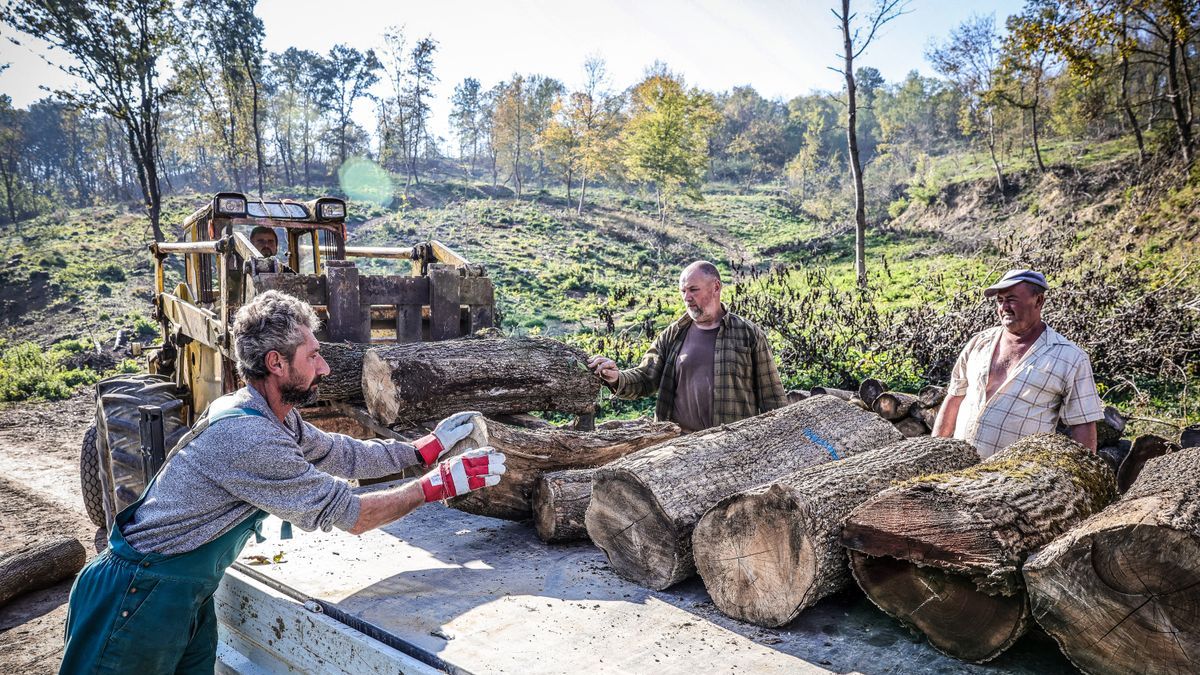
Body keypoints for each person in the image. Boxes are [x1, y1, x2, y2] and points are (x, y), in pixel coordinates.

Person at [59, 290, 506, 674]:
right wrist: (437, 485)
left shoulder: (268, 414)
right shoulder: (250, 435)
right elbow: (353, 515)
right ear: (276, 362)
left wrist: (422, 449)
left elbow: (341, 453)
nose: (326, 368)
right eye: (313, 356)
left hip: (181, 594)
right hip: (136, 596)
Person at [587, 260, 786, 432]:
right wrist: (616, 378)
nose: (686, 298)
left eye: (693, 290)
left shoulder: (748, 334)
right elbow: (645, 377)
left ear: (716, 287)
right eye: (683, 291)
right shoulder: (673, 334)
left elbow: (773, 399)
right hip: (679, 447)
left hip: (733, 447)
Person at [932, 269, 1104, 458]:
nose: (1004, 307)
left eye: (1012, 299)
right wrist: (934, 454)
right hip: (959, 473)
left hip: (1017, 481)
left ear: (1038, 301)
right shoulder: (979, 343)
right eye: (1000, 300)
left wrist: (1083, 478)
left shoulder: (1070, 357)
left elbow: (1083, 424)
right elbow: (954, 398)